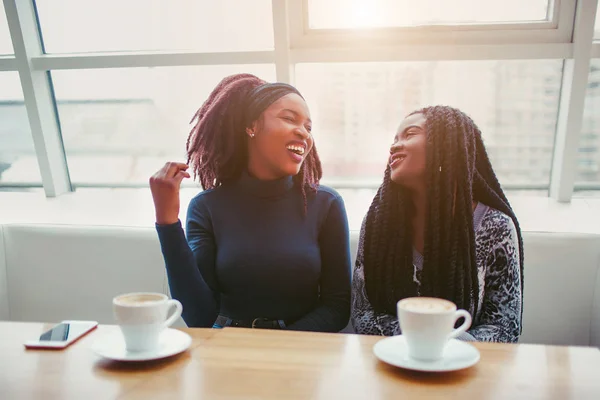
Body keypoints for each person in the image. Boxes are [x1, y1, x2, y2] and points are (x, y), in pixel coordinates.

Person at [150, 73, 351, 332]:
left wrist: (274, 347)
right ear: (251, 126)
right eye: (289, 118)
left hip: (299, 352)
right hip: (227, 348)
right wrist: (166, 222)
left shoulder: (327, 204)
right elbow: (199, 316)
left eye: (308, 127)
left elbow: (337, 307)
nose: (303, 133)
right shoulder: (206, 207)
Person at [351, 105, 523, 343]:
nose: (394, 146)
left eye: (409, 134)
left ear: (445, 147)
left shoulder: (495, 227)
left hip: (465, 369)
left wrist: (443, 347)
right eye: (394, 138)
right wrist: (423, 343)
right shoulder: (378, 223)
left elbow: (505, 327)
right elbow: (363, 314)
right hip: (392, 363)